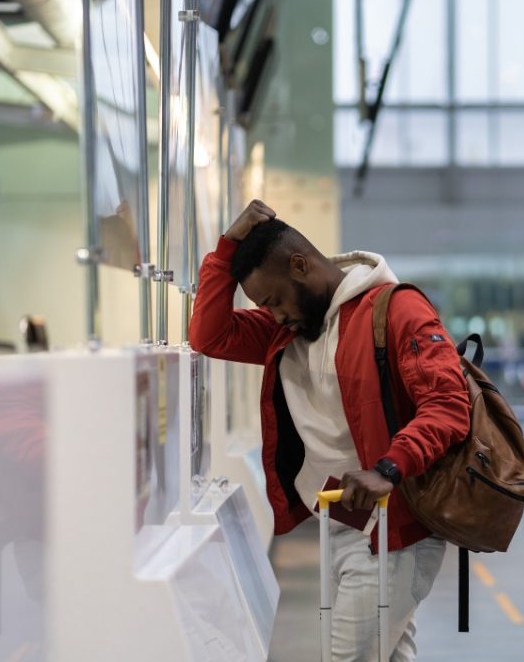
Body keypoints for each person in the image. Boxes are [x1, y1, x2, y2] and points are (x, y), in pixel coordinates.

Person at [190, 200, 470, 661]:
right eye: (265, 307)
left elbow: (447, 405)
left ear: (299, 264)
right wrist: (227, 247)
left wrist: (389, 467)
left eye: (274, 300)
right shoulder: (287, 331)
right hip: (339, 521)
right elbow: (209, 335)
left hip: (393, 528)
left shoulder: (397, 311)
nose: (273, 315)